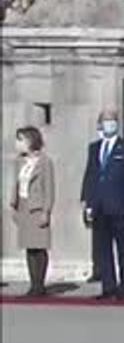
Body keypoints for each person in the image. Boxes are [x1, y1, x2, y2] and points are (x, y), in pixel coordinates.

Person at [80, 109, 124, 300]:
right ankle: (108, 286)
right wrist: (88, 203)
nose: (110, 124)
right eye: (106, 121)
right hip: (99, 205)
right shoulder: (94, 148)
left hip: (120, 205)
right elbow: (90, 175)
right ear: (100, 125)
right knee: (103, 249)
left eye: (113, 121)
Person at [10, 126, 55, 296]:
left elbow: (49, 189)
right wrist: (13, 205)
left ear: (30, 141)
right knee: (29, 247)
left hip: (37, 208)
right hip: (23, 206)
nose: (18, 143)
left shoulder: (45, 162)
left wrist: (46, 211)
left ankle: (40, 285)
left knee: (39, 247)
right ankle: (33, 284)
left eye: (20, 140)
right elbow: (15, 184)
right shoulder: (19, 162)